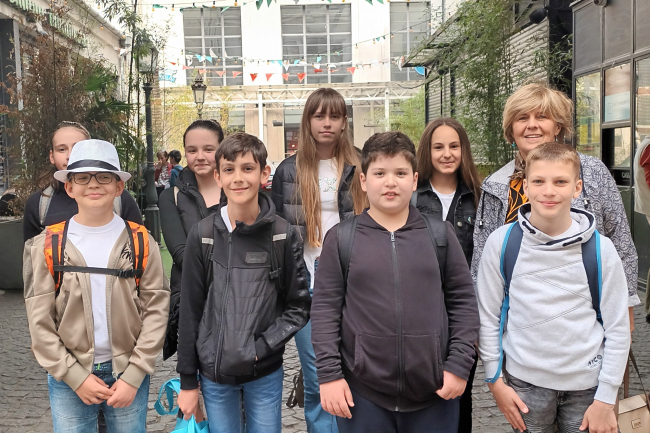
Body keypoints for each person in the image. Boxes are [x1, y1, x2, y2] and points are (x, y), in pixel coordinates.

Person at [311, 131, 479, 433]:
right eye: (380, 173)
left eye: (400, 173)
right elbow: (324, 311)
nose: (390, 182)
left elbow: (463, 304)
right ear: (364, 181)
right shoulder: (341, 239)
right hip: (363, 394)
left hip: (435, 393)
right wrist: (330, 375)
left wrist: (458, 365)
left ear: (414, 180)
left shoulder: (440, 235)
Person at [476, 142, 630, 433]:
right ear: (525, 186)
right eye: (538, 181)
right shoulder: (501, 243)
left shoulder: (601, 249)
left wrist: (606, 398)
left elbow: (618, 328)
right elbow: (488, 316)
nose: (549, 191)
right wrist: (495, 381)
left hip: (587, 388)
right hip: (525, 386)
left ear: (577, 187)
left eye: (560, 181)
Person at [23, 139, 170, 433]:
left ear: (118, 186)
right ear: (69, 187)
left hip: (128, 374)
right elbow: (39, 321)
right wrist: (74, 376)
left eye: (104, 177)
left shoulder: (141, 241)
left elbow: (156, 309)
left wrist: (135, 374)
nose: (93, 184)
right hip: (68, 378)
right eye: (82, 178)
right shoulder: (47, 245)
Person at [471, 82, 640, 329]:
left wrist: (626, 309)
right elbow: (482, 260)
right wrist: (483, 325)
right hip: (519, 322)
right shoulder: (496, 185)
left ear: (557, 126)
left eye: (542, 116)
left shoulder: (591, 172)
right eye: (522, 118)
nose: (532, 125)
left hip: (586, 319)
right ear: (512, 129)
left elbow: (620, 242)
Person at [176, 132, 311, 433]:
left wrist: (262, 347)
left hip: (263, 373)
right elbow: (191, 310)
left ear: (264, 174)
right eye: (229, 169)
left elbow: (298, 306)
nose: (238, 178)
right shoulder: (203, 235)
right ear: (218, 176)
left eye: (248, 168)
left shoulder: (282, 235)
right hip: (214, 375)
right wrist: (187, 381)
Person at [271, 87, 366, 433]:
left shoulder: (361, 164)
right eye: (319, 115)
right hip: (308, 287)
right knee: (318, 379)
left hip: (357, 286)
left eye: (334, 116)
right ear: (308, 121)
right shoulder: (288, 171)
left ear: (344, 122)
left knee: (359, 376)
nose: (327, 123)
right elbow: (277, 234)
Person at [412, 118, 481, 433]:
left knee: (460, 393)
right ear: (426, 152)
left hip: (464, 311)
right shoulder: (412, 196)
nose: (447, 154)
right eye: (438, 147)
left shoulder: (479, 196)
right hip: (421, 311)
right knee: (421, 394)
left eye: (454, 146)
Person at [160, 119, 224, 360]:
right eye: (192, 150)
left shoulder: (237, 190)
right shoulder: (172, 196)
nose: (200, 157)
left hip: (240, 297)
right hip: (191, 299)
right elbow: (180, 253)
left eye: (208, 149)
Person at [23, 121, 142, 242]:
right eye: (62, 149)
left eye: (77, 149)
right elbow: (32, 251)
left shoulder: (120, 199)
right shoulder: (39, 205)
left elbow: (139, 243)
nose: (70, 155)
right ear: (52, 156)